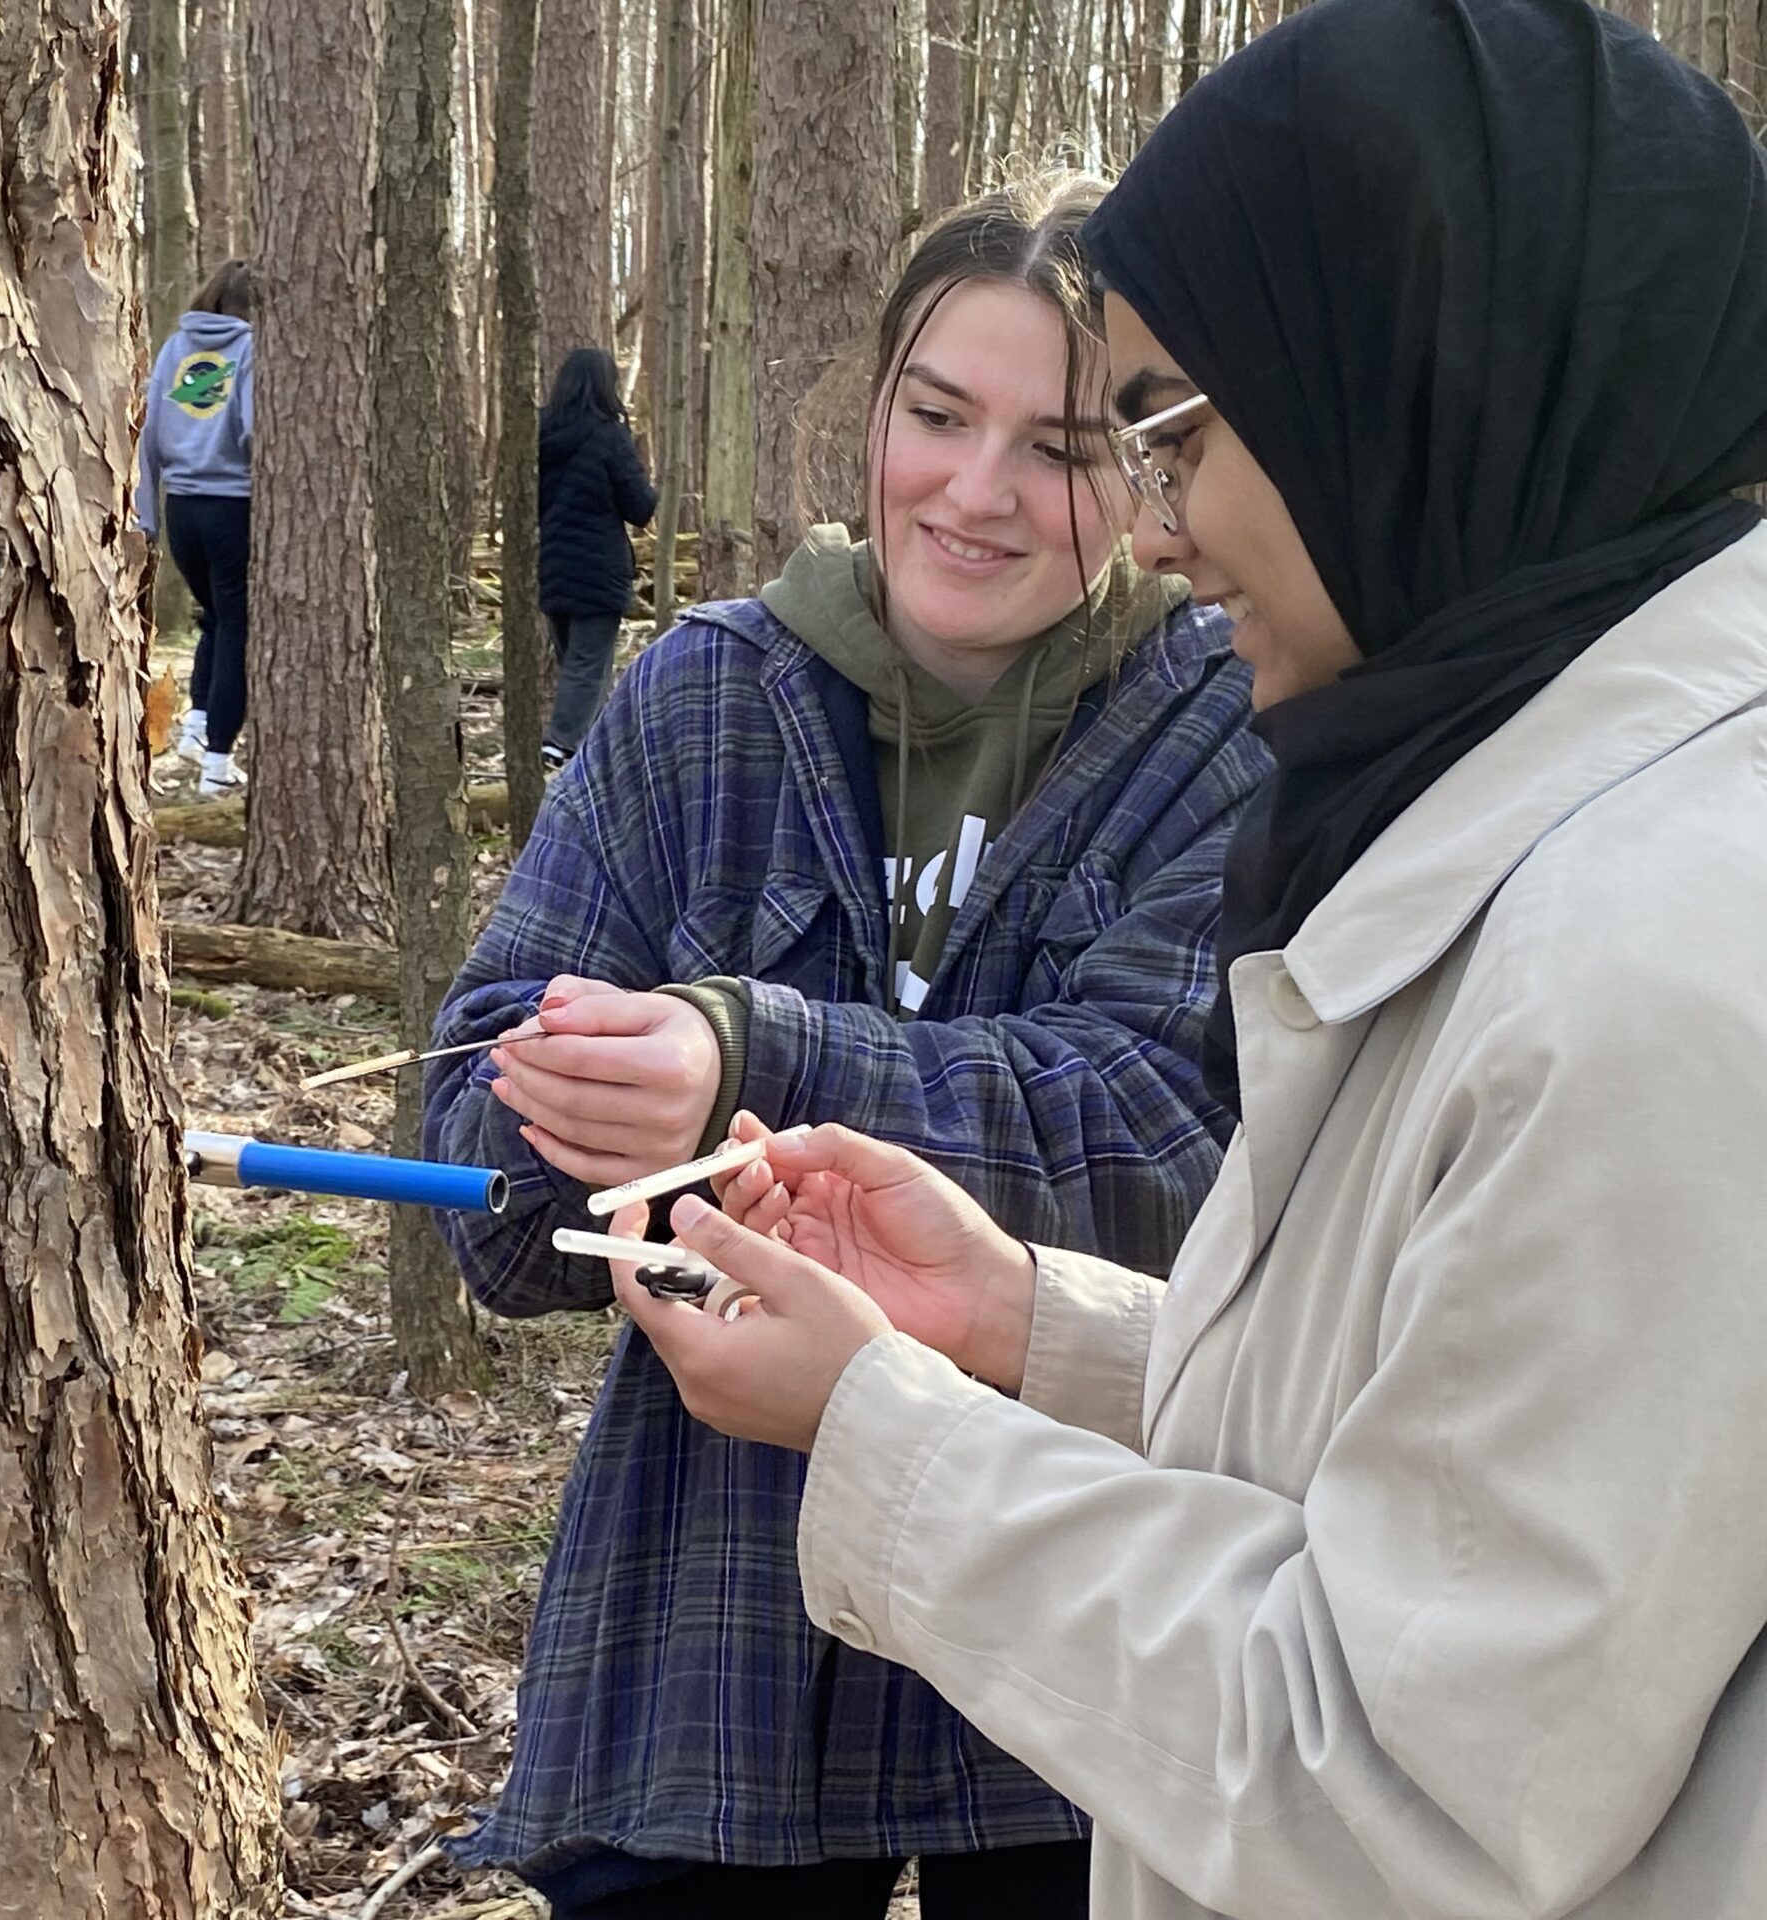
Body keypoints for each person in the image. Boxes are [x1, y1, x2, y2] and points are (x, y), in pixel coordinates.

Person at [611, 4, 1767, 1918]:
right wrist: (1029, 1328)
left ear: (1392, 386)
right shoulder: (1556, 819)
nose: (1152, 524)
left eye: (1165, 434)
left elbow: (1408, 1786)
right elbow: (1470, 1459)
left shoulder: (1654, 963)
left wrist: (888, 1433)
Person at [423, 168, 1272, 1918]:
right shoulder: (709, 695)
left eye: (1060, 445)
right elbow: (489, 1179)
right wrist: (590, 1098)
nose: (976, 492)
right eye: (937, 416)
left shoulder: (1222, 724)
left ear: (1150, 470)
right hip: (710, 1626)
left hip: (1077, 1637)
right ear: (873, 404)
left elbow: (1161, 1145)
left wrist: (747, 1059)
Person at [135, 259, 255, 798]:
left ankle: (199, 725)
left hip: (182, 508)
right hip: (234, 508)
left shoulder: (175, 349)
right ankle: (218, 765)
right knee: (240, 629)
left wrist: (146, 513)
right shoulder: (253, 349)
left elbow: (149, 431)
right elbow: (255, 430)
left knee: (216, 619)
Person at [536, 347, 659, 767]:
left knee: (579, 663)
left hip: (552, 567)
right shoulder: (609, 436)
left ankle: (596, 750)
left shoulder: (538, 433)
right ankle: (561, 744)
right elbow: (640, 506)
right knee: (587, 666)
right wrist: (653, 486)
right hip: (598, 569)